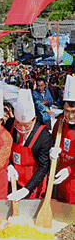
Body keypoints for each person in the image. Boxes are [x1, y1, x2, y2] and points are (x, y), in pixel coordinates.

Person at [6, 89, 52, 202]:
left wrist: (27, 189)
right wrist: (9, 165)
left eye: (26, 126)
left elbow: (43, 166)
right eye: (18, 123)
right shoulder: (10, 124)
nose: (21, 129)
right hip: (13, 179)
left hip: (33, 183)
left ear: (34, 119)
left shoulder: (43, 136)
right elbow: (4, 148)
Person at [50, 75, 75, 204]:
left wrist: (70, 170)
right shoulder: (60, 121)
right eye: (66, 111)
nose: (70, 116)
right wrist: (53, 150)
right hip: (61, 178)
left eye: (74, 111)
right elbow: (53, 140)